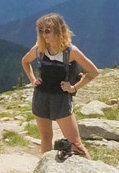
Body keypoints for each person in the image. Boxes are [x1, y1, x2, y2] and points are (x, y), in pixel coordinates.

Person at [20, 13, 100, 158]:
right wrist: (32, 80)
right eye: (41, 31)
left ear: (58, 31)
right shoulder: (40, 49)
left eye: (48, 30)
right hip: (41, 97)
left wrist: (74, 88)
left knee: (76, 144)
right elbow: (25, 61)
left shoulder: (71, 52)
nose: (44, 35)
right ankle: (45, 170)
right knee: (45, 138)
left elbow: (93, 72)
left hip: (61, 99)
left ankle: (92, 172)